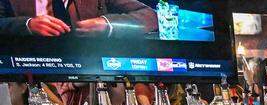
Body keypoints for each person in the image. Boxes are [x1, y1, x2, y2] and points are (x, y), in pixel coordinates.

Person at [0, 0, 158, 37]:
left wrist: (107, 24)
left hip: (89, 72)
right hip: (32, 73)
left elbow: (150, 16)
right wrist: (28, 25)